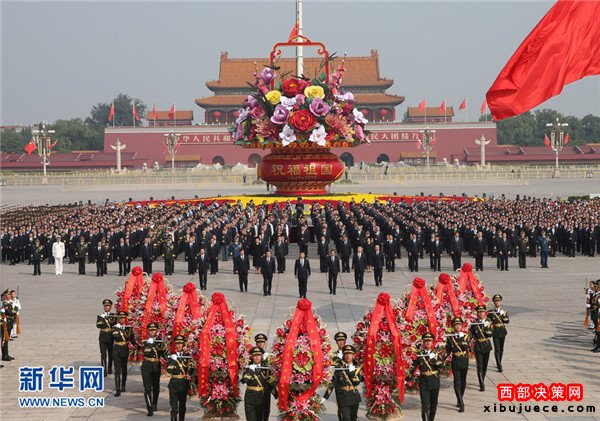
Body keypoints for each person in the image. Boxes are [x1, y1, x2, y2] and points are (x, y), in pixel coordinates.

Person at [323, 345, 363, 421]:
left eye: (350, 354)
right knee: (345, 418)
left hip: (354, 397)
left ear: (353, 355)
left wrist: (351, 372)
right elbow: (333, 383)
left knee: (354, 418)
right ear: (343, 355)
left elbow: (356, 383)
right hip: (342, 397)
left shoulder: (356, 368)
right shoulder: (339, 369)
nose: (348, 356)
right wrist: (325, 396)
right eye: (346, 354)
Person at [411, 333, 443, 421]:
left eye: (429, 341)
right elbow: (413, 367)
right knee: (425, 405)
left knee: (433, 404)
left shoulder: (436, 353)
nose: (427, 343)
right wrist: (407, 379)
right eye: (425, 341)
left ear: (432, 342)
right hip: (424, 381)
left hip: (434, 381)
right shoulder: (419, 354)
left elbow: (441, 366)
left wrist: (433, 359)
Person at [241, 346, 278, 421]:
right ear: (252, 357)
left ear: (262, 356)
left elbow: (270, 384)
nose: (257, 357)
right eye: (255, 355)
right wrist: (251, 371)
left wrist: (277, 395)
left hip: (262, 399)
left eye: (259, 355)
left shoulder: (266, 369)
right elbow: (244, 380)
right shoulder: (248, 368)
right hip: (250, 399)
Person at [167, 335, 195, 421]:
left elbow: (191, 369)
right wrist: (174, 361)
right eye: (177, 343)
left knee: (182, 406)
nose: (179, 345)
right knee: (174, 406)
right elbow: (169, 369)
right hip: (174, 383)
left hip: (183, 383)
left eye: (181, 343)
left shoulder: (187, 356)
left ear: (183, 344)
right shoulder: (171, 356)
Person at [445, 317, 469, 412]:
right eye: (455, 325)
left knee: (463, 382)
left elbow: (466, 347)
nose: (458, 326)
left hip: (464, 360)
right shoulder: (450, 338)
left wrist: (462, 338)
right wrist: (441, 360)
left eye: (459, 325)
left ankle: (460, 398)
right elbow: (448, 351)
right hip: (455, 361)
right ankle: (461, 403)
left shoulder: (465, 336)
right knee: (457, 382)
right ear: (453, 327)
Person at [141, 322, 164, 416]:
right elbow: (142, 350)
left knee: (156, 386)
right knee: (147, 388)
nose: (152, 332)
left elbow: (163, 353)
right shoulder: (144, 341)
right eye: (150, 330)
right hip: (146, 365)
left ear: (156, 331)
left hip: (156, 365)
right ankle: (149, 407)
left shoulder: (160, 342)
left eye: (154, 330)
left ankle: (154, 404)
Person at [470, 305, 493, 391]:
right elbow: (472, 334)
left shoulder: (489, 322)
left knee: (485, 365)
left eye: (482, 312)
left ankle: (482, 378)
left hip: (486, 345)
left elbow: (490, 334)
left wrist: (486, 327)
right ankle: (481, 384)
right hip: (478, 345)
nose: (481, 313)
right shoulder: (475, 323)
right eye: (479, 312)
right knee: (479, 365)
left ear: (485, 313)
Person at [254, 334, 276, 421]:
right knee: (256, 410)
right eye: (258, 342)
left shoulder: (268, 356)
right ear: (256, 343)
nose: (260, 344)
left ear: (265, 343)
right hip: (255, 387)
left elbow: (271, 372)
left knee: (266, 409)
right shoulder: (252, 356)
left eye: (262, 342)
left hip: (266, 387)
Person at [111, 310, 133, 396]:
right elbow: (111, 339)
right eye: (120, 318)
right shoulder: (114, 328)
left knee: (124, 369)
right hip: (116, 349)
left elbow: (132, 339)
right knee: (117, 370)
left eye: (123, 318)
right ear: (118, 318)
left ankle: (123, 385)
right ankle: (117, 389)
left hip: (124, 349)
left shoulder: (128, 328)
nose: (122, 319)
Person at [488, 294, 509, 372]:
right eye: (496, 301)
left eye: (499, 301)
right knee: (497, 348)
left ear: (500, 302)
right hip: (495, 331)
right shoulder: (491, 312)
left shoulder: (504, 312)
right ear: (494, 302)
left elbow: (507, 321)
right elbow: (488, 321)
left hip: (502, 330)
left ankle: (499, 361)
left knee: (501, 348)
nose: (497, 302)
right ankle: (499, 364)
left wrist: (503, 315)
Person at [96, 299, 114, 376]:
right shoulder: (100, 316)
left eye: (108, 306)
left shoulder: (113, 316)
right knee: (103, 355)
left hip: (111, 337)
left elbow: (115, 325)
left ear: (110, 307)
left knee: (111, 354)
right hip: (103, 337)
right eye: (105, 306)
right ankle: (103, 369)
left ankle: (109, 368)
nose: (107, 307)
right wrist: (102, 318)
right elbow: (98, 325)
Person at [588, 280, 600, 352]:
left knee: (599, 332)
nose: (594, 287)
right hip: (595, 315)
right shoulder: (595, 294)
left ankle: (599, 347)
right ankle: (597, 346)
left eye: (596, 286)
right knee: (597, 332)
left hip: (598, 316)